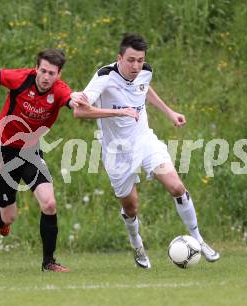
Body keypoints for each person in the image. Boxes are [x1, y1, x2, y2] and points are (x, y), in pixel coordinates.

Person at [0, 46, 137, 272]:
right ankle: (1, 212)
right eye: (43, 71)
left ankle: (49, 262)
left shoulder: (60, 91)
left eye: (51, 73)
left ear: (59, 75)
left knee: (50, 203)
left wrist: (83, 100)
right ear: (36, 69)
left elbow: (75, 102)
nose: (46, 77)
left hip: (30, 153)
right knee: (9, 217)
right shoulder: (20, 79)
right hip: (2, 154)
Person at [72, 33, 220, 269]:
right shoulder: (104, 76)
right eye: (130, 60)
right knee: (131, 208)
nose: (135, 66)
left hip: (145, 141)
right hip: (116, 152)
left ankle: (199, 240)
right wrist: (120, 112)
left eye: (140, 60)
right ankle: (136, 244)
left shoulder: (145, 71)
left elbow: (145, 89)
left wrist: (170, 112)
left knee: (177, 187)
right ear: (119, 58)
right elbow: (80, 111)